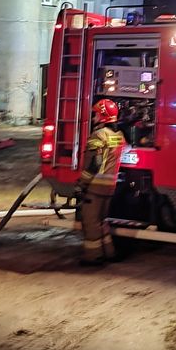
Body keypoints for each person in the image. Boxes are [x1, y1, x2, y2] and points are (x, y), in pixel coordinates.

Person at [76, 98, 129, 266]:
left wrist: (82, 184)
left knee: (90, 221)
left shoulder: (98, 135)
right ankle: (109, 252)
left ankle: (94, 256)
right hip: (110, 186)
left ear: (102, 116)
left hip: (95, 186)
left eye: (96, 114)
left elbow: (95, 163)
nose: (94, 118)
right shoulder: (119, 136)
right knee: (102, 220)